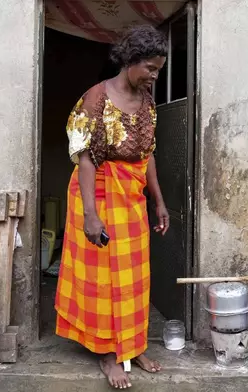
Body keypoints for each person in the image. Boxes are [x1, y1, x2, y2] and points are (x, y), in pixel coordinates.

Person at [55, 25, 169, 390]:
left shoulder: (148, 102)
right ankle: (107, 355)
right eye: (150, 68)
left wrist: (159, 201)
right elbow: (86, 159)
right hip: (97, 194)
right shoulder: (95, 99)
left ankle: (132, 346)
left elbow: (147, 153)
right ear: (130, 61)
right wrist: (90, 214)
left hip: (131, 197)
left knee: (134, 276)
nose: (154, 75)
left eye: (159, 69)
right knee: (102, 278)